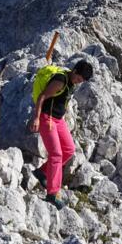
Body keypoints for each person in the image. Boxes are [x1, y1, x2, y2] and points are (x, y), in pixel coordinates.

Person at [28, 60, 93, 209]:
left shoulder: (71, 82)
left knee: (69, 149)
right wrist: (36, 118)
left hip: (58, 119)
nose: (79, 82)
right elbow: (42, 97)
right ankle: (52, 194)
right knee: (56, 154)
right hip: (47, 118)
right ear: (74, 71)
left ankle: (42, 172)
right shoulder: (60, 80)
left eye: (82, 81)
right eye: (79, 78)